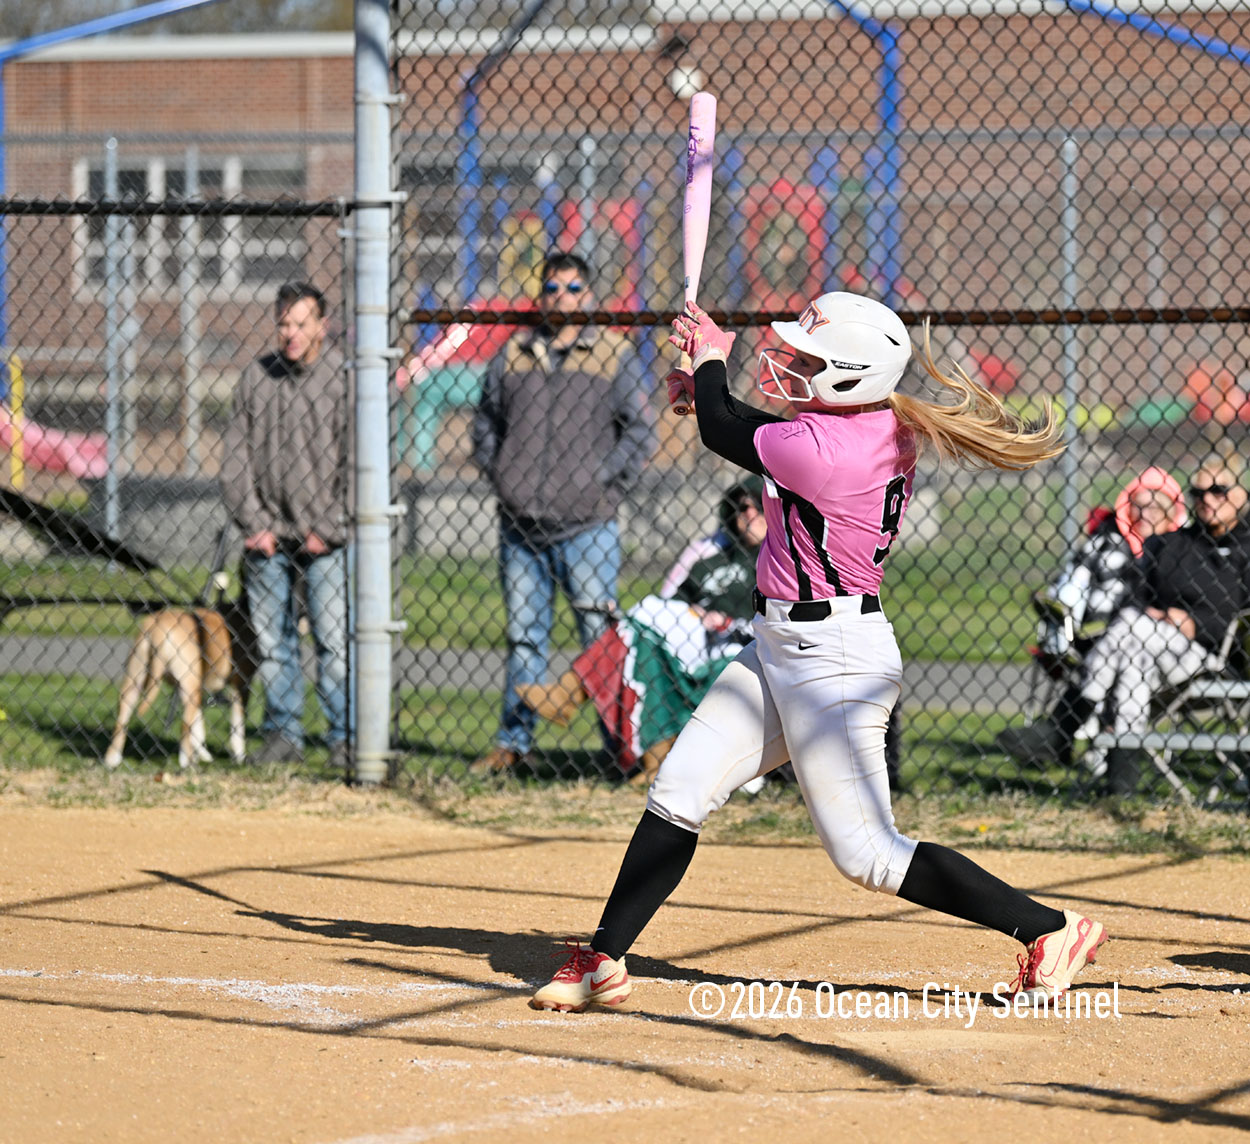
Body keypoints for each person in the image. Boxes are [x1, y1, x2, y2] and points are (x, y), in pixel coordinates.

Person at [528, 290, 1107, 1013]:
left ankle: (1050, 929)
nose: (794, 367)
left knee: (869, 855)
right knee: (679, 790)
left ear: (852, 375)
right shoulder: (871, 425)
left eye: (811, 361)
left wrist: (711, 364)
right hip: (782, 644)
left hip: (833, 660)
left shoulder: (827, 450)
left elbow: (730, 432)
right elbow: (749, 428)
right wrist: (707, 391)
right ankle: (604, 959)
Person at [470, 251, 657, 772]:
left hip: (587, 525)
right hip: (521, 526)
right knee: (524, 638)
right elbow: (485, 422)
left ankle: (620, 751)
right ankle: (514, 746)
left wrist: (601, 480)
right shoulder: (513, 353)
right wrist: (501, 473)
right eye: (553, 288)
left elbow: (641, 431)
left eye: (573, 288)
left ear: (589, 295)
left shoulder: (614, 354)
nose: (562, 297)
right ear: (541, 295)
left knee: (598, 640)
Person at [517, 476, 766, 786]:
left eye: (759, 507)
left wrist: (725, 621)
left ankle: (568, 693)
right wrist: (695, 615)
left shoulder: (777, 560)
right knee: (642, 633)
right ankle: (653, 761)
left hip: (739, 645)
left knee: (638, 625)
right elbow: (671, 597)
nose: (749, 515)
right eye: (742, 507)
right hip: (689, 637)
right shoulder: (708, 555)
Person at [1049, 456, 1250, 795]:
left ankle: (1065, 726)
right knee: (1133, 653)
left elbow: (1244, 621)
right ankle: (1121, 786)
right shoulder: (1174, 543)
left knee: (1134, 632)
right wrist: (1160, 617)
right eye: (1198, 493)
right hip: (1151, 648)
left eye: (1219, 490)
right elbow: (1135, 597)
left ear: (1242, 493)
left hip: (1216, 656)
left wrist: (1193, 623)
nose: (1207, 499)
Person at [220, 282, 350, 768]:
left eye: (300, 323)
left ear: (322, 326)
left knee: (332, 643)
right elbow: (235, 460)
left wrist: (329, 528)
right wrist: (254, 524)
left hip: (325, 540)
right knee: (274, 642)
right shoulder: (257, 378)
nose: (290, 333)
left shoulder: (343, 380)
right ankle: (283, 735)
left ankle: (345, 738)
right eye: (283, 324)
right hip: (268, 536)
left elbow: (358, 466)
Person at [995, 467, 1187, 771]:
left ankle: (1062, 733)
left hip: (1159, 641)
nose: (1146, 514)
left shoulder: (1181, 549)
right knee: (1117, 647)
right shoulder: (1107, 540)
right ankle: (1104, 758)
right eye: (1139, 505)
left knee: (1124, 646)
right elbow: (1073, 581)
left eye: (1155, 506)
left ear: (1170, 510)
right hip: (1099, 634)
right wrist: (1061, 626)